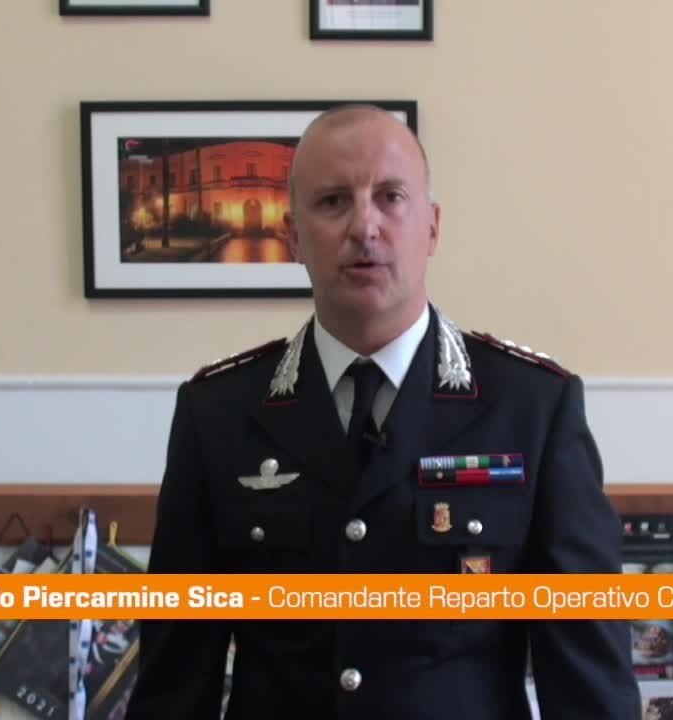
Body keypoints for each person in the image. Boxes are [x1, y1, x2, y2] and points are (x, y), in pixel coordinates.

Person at [126, 104, 638, 719]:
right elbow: (175, 679)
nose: (364, 226)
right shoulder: (218, 412)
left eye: (391, 197)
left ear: (433, 228)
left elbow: (588, 678)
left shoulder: (532, 406)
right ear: (293, 235)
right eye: (333, 201)